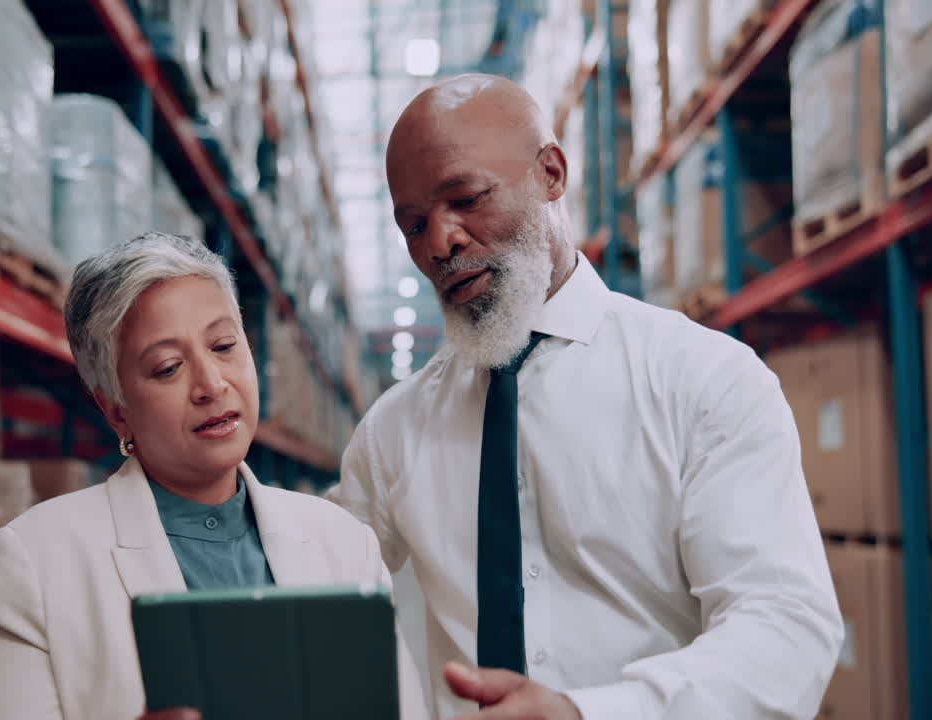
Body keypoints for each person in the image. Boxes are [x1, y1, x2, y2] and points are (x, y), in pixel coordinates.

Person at [327, 75, 845, 719]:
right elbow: (310, 584)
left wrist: (584, 713)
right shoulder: (394, 431)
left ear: (550, 173)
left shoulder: (702, 382)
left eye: (465, 197)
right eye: (413, 224)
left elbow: (786, 629)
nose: (440, 243)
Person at [0, 232, 427, 720]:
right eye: (167, 368)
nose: (211, 384)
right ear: (115, 409)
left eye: (224, 345)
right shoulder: (37, 560)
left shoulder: (344, 544)